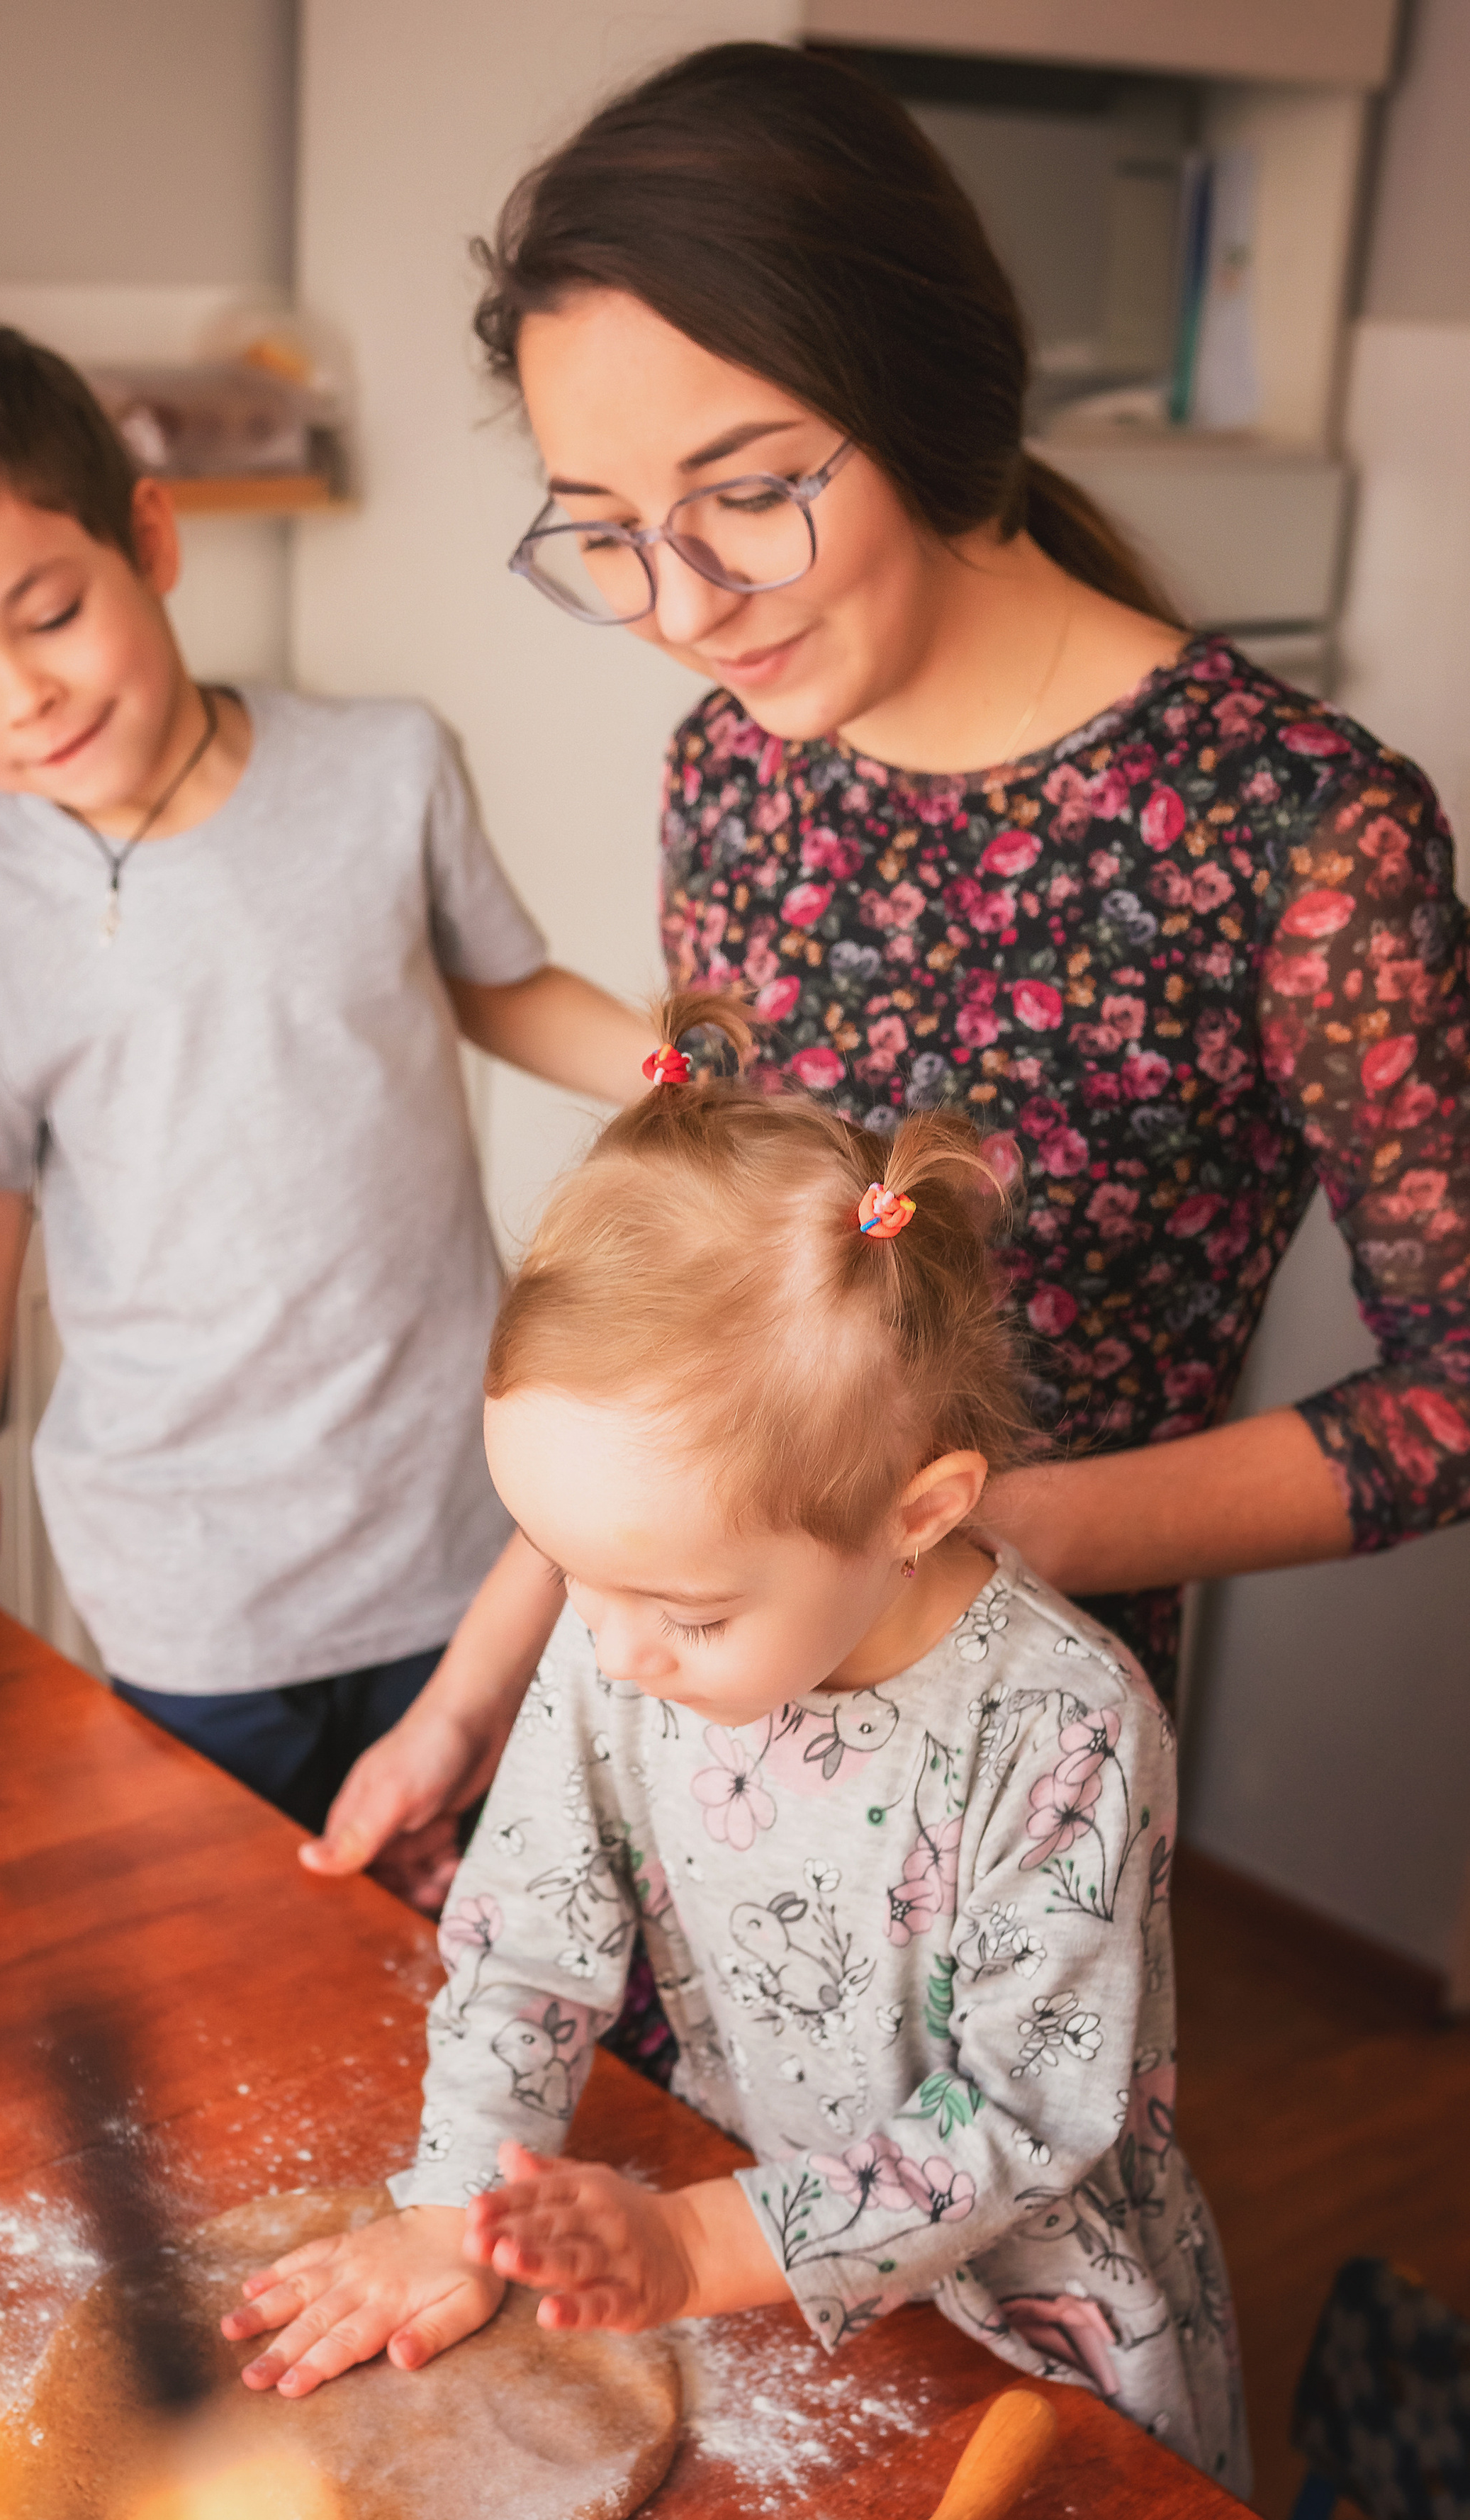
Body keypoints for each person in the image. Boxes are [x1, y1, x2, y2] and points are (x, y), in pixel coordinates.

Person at [306, 40, 1469, 1908]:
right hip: (680, 1737)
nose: (680, 607)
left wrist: (986, 1534)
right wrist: (471, 1699)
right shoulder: (737, 772)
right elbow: (689, 1320)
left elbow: (1454, 1392)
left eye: (745, 494)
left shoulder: (1298, 832)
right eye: (606, 532)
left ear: (920, 395)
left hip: (1003, 1792)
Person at [223, 998, 1247, 2484]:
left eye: (686, 1615)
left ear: (917, 1514)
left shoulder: (1064, 1730)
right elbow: (524, 1944)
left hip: (1033, 2347)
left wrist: (695, 2241)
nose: (613, 1648)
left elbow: (1024, 2118)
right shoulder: (618, 1629)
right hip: (770, 2252)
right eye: (568, 1572)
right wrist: (457, 2210)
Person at [0, 321, 653, 1867]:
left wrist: (683, 1070)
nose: (21, 697)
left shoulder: (385, 768)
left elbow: (489, 986)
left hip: (458, 1513)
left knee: (494, 1931)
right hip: (189, 1576)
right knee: (252, 1961)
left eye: (48, 616)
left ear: (149, 537)